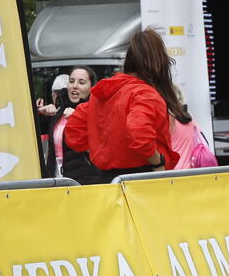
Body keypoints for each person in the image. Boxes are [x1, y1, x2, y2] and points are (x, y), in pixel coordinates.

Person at [64, 31, 179, 183]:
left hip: (108, 179)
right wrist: (157, 162)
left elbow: (73, 128)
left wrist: (101, 151)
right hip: (143, 178)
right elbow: (139, 132)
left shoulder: (105, 93)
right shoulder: (145, 94)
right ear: (159, 62)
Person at [39, 67, 98, 180]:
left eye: (81, 82)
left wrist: (79, 117)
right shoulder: (59, 110)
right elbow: (33, 129)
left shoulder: (97, 111)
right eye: (71, 81)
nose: (75, 86)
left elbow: (99, 145)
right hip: (55, 178)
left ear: (91, 88)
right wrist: (40, 113)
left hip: (85, 181)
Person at [167, 89, 217, 170]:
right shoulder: (189, 117)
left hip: (172, 172)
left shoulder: (167, 119)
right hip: (191, 170)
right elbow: (201, 139)